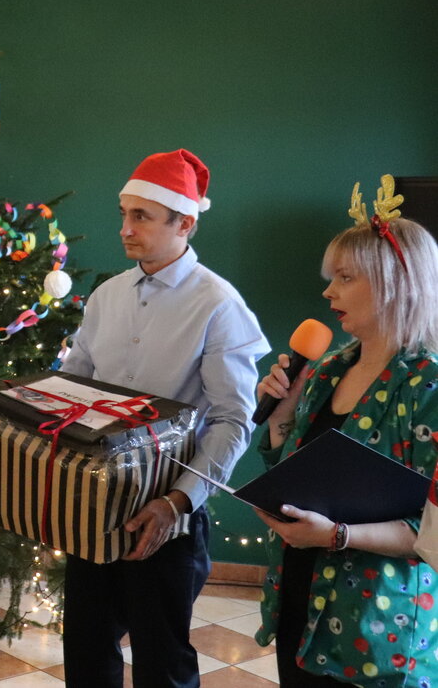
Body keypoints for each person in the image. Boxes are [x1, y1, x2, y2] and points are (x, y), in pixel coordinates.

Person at [58, 148, 270, 688]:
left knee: (163, 666)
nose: (125, 229)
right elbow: (71, 389)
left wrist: (178, 503)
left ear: (185, 223)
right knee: (85, 652)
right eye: (123, 213)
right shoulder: (106, 296)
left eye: (142, 216)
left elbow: (233, 420)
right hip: (93, 509)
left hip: (168, 518)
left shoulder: (218, 305)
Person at [252, 194, 438, 687]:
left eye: (345, 277)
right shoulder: (329, 369)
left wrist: (338, 536)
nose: (328, 291)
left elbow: (433, 531)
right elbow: (292, 469)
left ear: (394, 285)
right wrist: (282, 416)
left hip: (378, 631)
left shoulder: (429, 385)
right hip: (301, 601)